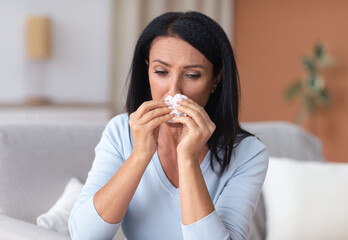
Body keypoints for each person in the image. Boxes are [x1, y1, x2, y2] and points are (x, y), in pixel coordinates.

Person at [69, 11, 268, 240]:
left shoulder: (249, 153)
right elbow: (83, 236)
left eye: (192, 75)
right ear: (147, 72)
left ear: (216, 80)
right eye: (161, 72)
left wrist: (188, 159)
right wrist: (140, 155)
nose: (174, 91)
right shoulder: (120, 132)